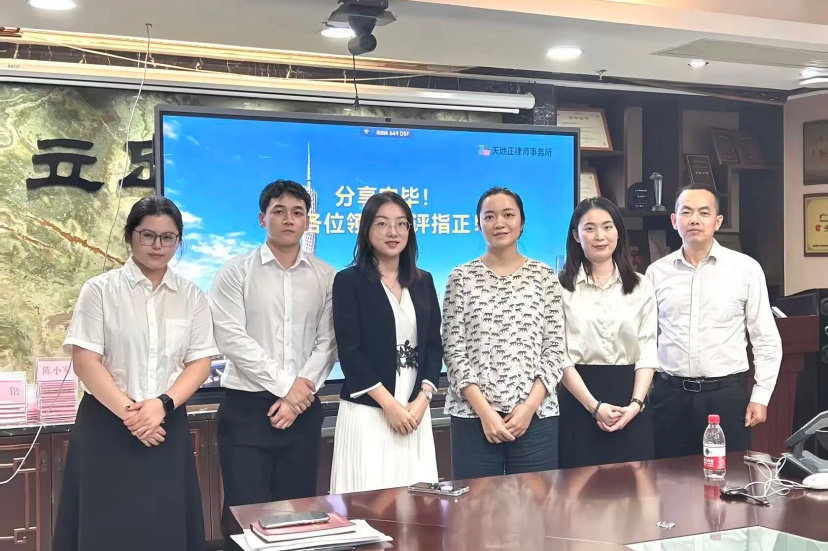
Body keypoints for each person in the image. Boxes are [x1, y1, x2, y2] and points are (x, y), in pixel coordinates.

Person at [53, 196, 218, 551]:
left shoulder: (191, 296)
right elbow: (85, 361)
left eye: (168, 237)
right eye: (148, 235)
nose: (158, 245)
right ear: (130, 236)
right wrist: (133, 415)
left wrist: (162, 405)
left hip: (165, 424)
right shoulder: (100, 290)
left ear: (178, 241)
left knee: (165, 527)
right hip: (107, 427)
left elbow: (200, 363)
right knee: (105, 530)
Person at [208, 180, 337, 551]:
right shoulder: (235, 272)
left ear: (308, 221)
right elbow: (232, 339)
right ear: (262, 218)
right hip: (247, 410)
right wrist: (287, 387)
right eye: (279, 211)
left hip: (303, 411)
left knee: (298, 515)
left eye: (297, 212)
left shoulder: (327, 277)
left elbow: (329, 342)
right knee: (244, 517)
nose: (288, 220)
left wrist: (298, 395)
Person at [646, 183, 782, 458]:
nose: (694, 219)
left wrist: (761, 396)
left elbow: (765, 338)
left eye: (704, 212)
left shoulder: (745, 269)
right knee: (669, 478)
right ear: (674, 220)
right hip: (670, 396)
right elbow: (647, 338)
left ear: (717, 222)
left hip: (725, 396)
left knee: (729, 477)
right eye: (686, 212)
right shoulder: (656, 273)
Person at [443, 186, 565, 479]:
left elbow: (554, 348)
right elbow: (453, 350)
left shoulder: (544, 277)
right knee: (476, 505)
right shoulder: (461, 277)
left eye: (508, 215)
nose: (499, 223)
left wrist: (528, 408)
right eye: (489, 216)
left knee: (536, 505)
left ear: (522, 223)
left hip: (536, 416)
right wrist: (485, 413)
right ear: (478, 223)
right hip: (473, 417)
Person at [330, 192, 442, 493]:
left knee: (418, 505)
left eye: (401, 224)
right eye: (382, 223)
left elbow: (433, 345)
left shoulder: (423, 281)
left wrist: (423, 400)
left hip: (415, 410)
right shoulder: (348, 281)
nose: (393, 232)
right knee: (368, 503)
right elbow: (349, 351)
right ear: (366, 229)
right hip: (369, 409)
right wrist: (390, 406)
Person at [557, 197, 657, 469]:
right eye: (589, 228)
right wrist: (594, 406)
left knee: (634, 489)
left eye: (607, 227)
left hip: (631, 399)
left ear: (618, 232)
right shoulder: (559, 287)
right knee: (577, 490)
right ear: (576, 235)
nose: (599, 236)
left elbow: (647, 348)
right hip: (578, 400)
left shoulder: (641, 286)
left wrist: (636, 404)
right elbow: (558, 355)